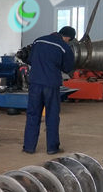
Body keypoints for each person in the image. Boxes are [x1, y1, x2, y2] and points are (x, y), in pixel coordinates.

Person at [21, 25, 76, 155]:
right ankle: (52, 148)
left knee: (33, 115)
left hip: (35, 83)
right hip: (51, 85)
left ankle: (29, 147)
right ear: (68, 37)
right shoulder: (64, 47)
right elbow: (68, 68)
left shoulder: (38, 40)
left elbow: (30, 59)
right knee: (52, 115)